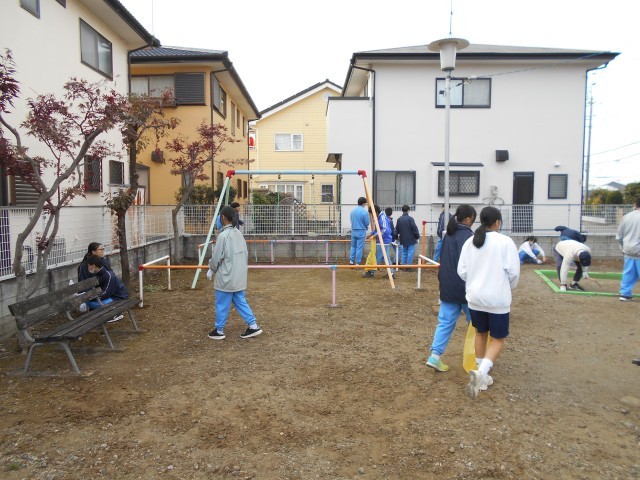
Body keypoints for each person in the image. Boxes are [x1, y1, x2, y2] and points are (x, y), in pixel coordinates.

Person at [458, 206, 520, 400]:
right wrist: (506, 286)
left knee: (480, 333)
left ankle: (481, 377)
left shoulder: (470, 242)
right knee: (498, 338)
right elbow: (513, 273)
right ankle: (481, 373)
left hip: (475, 298)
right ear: (498, 222)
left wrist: (474, 283)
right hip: (497, 299)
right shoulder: (505, 242)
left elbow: (462, 271)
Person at [426, 204, 477, 372]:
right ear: (468, 219)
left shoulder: (448, 234)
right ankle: (477, 359)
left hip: (447, 284)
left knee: (445, 322)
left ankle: (434, 356)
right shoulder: (470, 237)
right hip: (465, 287)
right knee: (476, 324)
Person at [207, 205, 262, 340]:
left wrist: (211, 269)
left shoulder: (223, 236)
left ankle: (219, 330)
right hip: (239, 276)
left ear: (223, 218)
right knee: (240, 301)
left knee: (222, 304)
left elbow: (217, 257)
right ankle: (253, 325)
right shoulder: (238, 234)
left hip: (226, 276)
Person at [82, 255, 129, 322]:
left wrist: (90, 297)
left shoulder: (108, 276)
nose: (88, 268)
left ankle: (115, 314)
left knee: (90, 303)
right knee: (88, 302)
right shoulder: (99, 274)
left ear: (93, 266)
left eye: (89, 265)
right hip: (111, 296)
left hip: (118, 297)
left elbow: (105, 293)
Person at [616, 196, 640, 301]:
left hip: (628, 249)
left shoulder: (626, 217)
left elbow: (619, 235)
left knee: (628, 273)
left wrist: (622, 247)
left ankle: (624, 294)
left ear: (635, 205)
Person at [364, 204, 393, 278]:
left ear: (376, 212)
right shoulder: (381, 217)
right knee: (386, 258)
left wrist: (375, 235)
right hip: (384, 240)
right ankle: (391, 273)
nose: (372, 216)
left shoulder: (382, 218)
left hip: (383, 241)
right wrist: (371, 234)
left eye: (371, 214)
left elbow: (384, 230)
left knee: (376, 257)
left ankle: (371, 272)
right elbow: (378, 230)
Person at [349, 197, 370, 266]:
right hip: (361, 231)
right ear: (363, 203)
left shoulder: (353, 211)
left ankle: (351, 261)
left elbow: (351, 220)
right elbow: (367, 223)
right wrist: (365, 226)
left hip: (353, 230)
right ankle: (357, 262)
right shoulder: (364, 212)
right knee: (359, 247)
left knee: (353, 246)